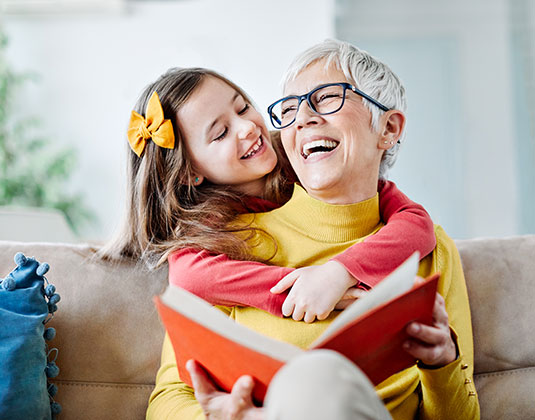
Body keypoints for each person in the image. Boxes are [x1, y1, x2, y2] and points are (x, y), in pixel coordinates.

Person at [145, 39, 479, 419]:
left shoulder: (430, 249)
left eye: (326, 99)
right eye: (290, 108)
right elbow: (167, 402)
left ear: (388, 128)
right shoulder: (224, 246)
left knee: (319, 377)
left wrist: (442, 363)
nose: (303, 118)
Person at [101, 66, 436, 324]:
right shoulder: (211, 222)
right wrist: (301, 288)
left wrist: (338, 272)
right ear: (190, 173)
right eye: (221, 133)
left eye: (243, 108)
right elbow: (189, 275)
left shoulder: (304, 155)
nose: (247, 127)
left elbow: (417, 224)